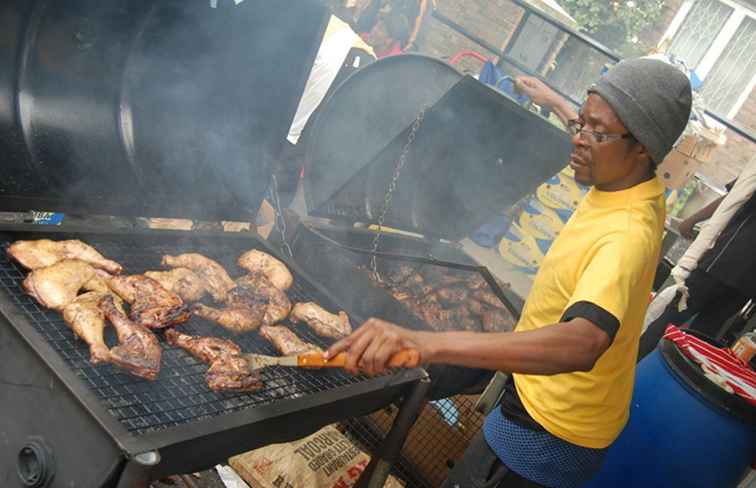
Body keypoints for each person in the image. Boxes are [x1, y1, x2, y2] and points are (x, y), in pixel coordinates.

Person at [325, 58, 692, 487]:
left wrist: (425, 341)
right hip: (541, 403)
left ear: (643, 146)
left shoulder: (627, 233)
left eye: (595, 132)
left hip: (553, 429)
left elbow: (583, 342)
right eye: (581, 122)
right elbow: (601, 127)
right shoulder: (627, 180)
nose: (578, 139)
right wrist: (555, 102)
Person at [638, 155, 756, 358]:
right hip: (746, 282)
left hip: (725, 260)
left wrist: (693, 219)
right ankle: (661, 377)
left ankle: (634, 365)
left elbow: (732, 199)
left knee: (673, 316)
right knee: (703, 333)